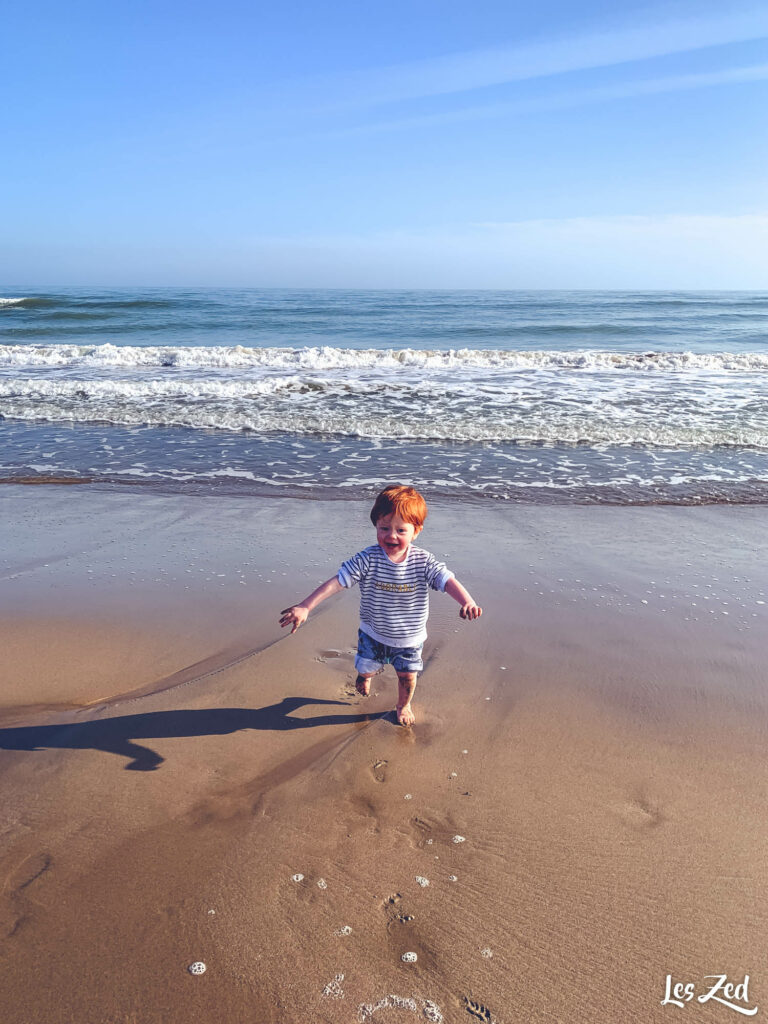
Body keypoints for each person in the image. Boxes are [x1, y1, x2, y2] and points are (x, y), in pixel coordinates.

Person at [279, 484, 482, 726]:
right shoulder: (367, 559)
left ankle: (402, 705)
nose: (391, 535)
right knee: (366, 669)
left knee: (407, 677)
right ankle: (365, 677)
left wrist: (467, 601)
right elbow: (338, 582)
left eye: (401, 530)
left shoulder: (423, 561)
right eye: (384, 528)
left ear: (416, 531)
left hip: (409, 639)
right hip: (372, 634)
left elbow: (447, 580)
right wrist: (306, 606)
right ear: (375, 525)